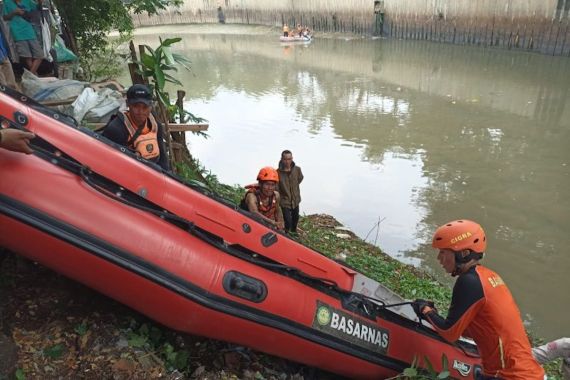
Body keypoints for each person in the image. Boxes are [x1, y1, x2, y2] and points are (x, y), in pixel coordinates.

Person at [412, 220, 544, 379]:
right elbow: (475, 328)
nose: (439, 258)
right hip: (522, 371)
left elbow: (450, 333)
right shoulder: (489, 277)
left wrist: (425, 310)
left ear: (463, 253)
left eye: (444, 252)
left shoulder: (469, 282)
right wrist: (435, 316)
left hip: (511, 375)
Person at [102, 84, 170, 171]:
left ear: (150, 107)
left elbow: (163, 161)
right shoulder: (117, 129)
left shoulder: (156, 126)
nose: (140, 112)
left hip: (153, 175)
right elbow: (112, 166)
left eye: (145, 107)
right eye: (136, 106)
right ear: (128, 104)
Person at [2, 0, 43, 75]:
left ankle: (31, 76)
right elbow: (5, 17)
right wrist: (14, 12)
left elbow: (37, 9)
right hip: (17, 32)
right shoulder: (7, 2)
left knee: (40, 55)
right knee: (27, 57)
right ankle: (34, 76)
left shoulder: (27, 1)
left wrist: (40, 2)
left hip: (29, 31)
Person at [244, 167, 284, 231]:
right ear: (260, 184)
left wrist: (280, 224)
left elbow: (277, 210)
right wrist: (272, 222)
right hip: (246, 225)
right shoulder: (252, 196)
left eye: (272, 185)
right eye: (267, 184)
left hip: (264, 226)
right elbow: (254, 213)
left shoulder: (276, 195)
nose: (270, 188)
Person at [277, 150, 303, 234]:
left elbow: (300, 179)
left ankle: (294, 232)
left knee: (296, 217)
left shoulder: (297, 169)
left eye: (289, 159)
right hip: (284, 201)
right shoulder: (277, 173)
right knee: (287, 220)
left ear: (292, 158)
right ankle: (287, 234)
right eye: (285, 159)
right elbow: (277, 188)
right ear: (282, 159)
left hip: (295, 199)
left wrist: (294, 190)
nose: (287, 161)